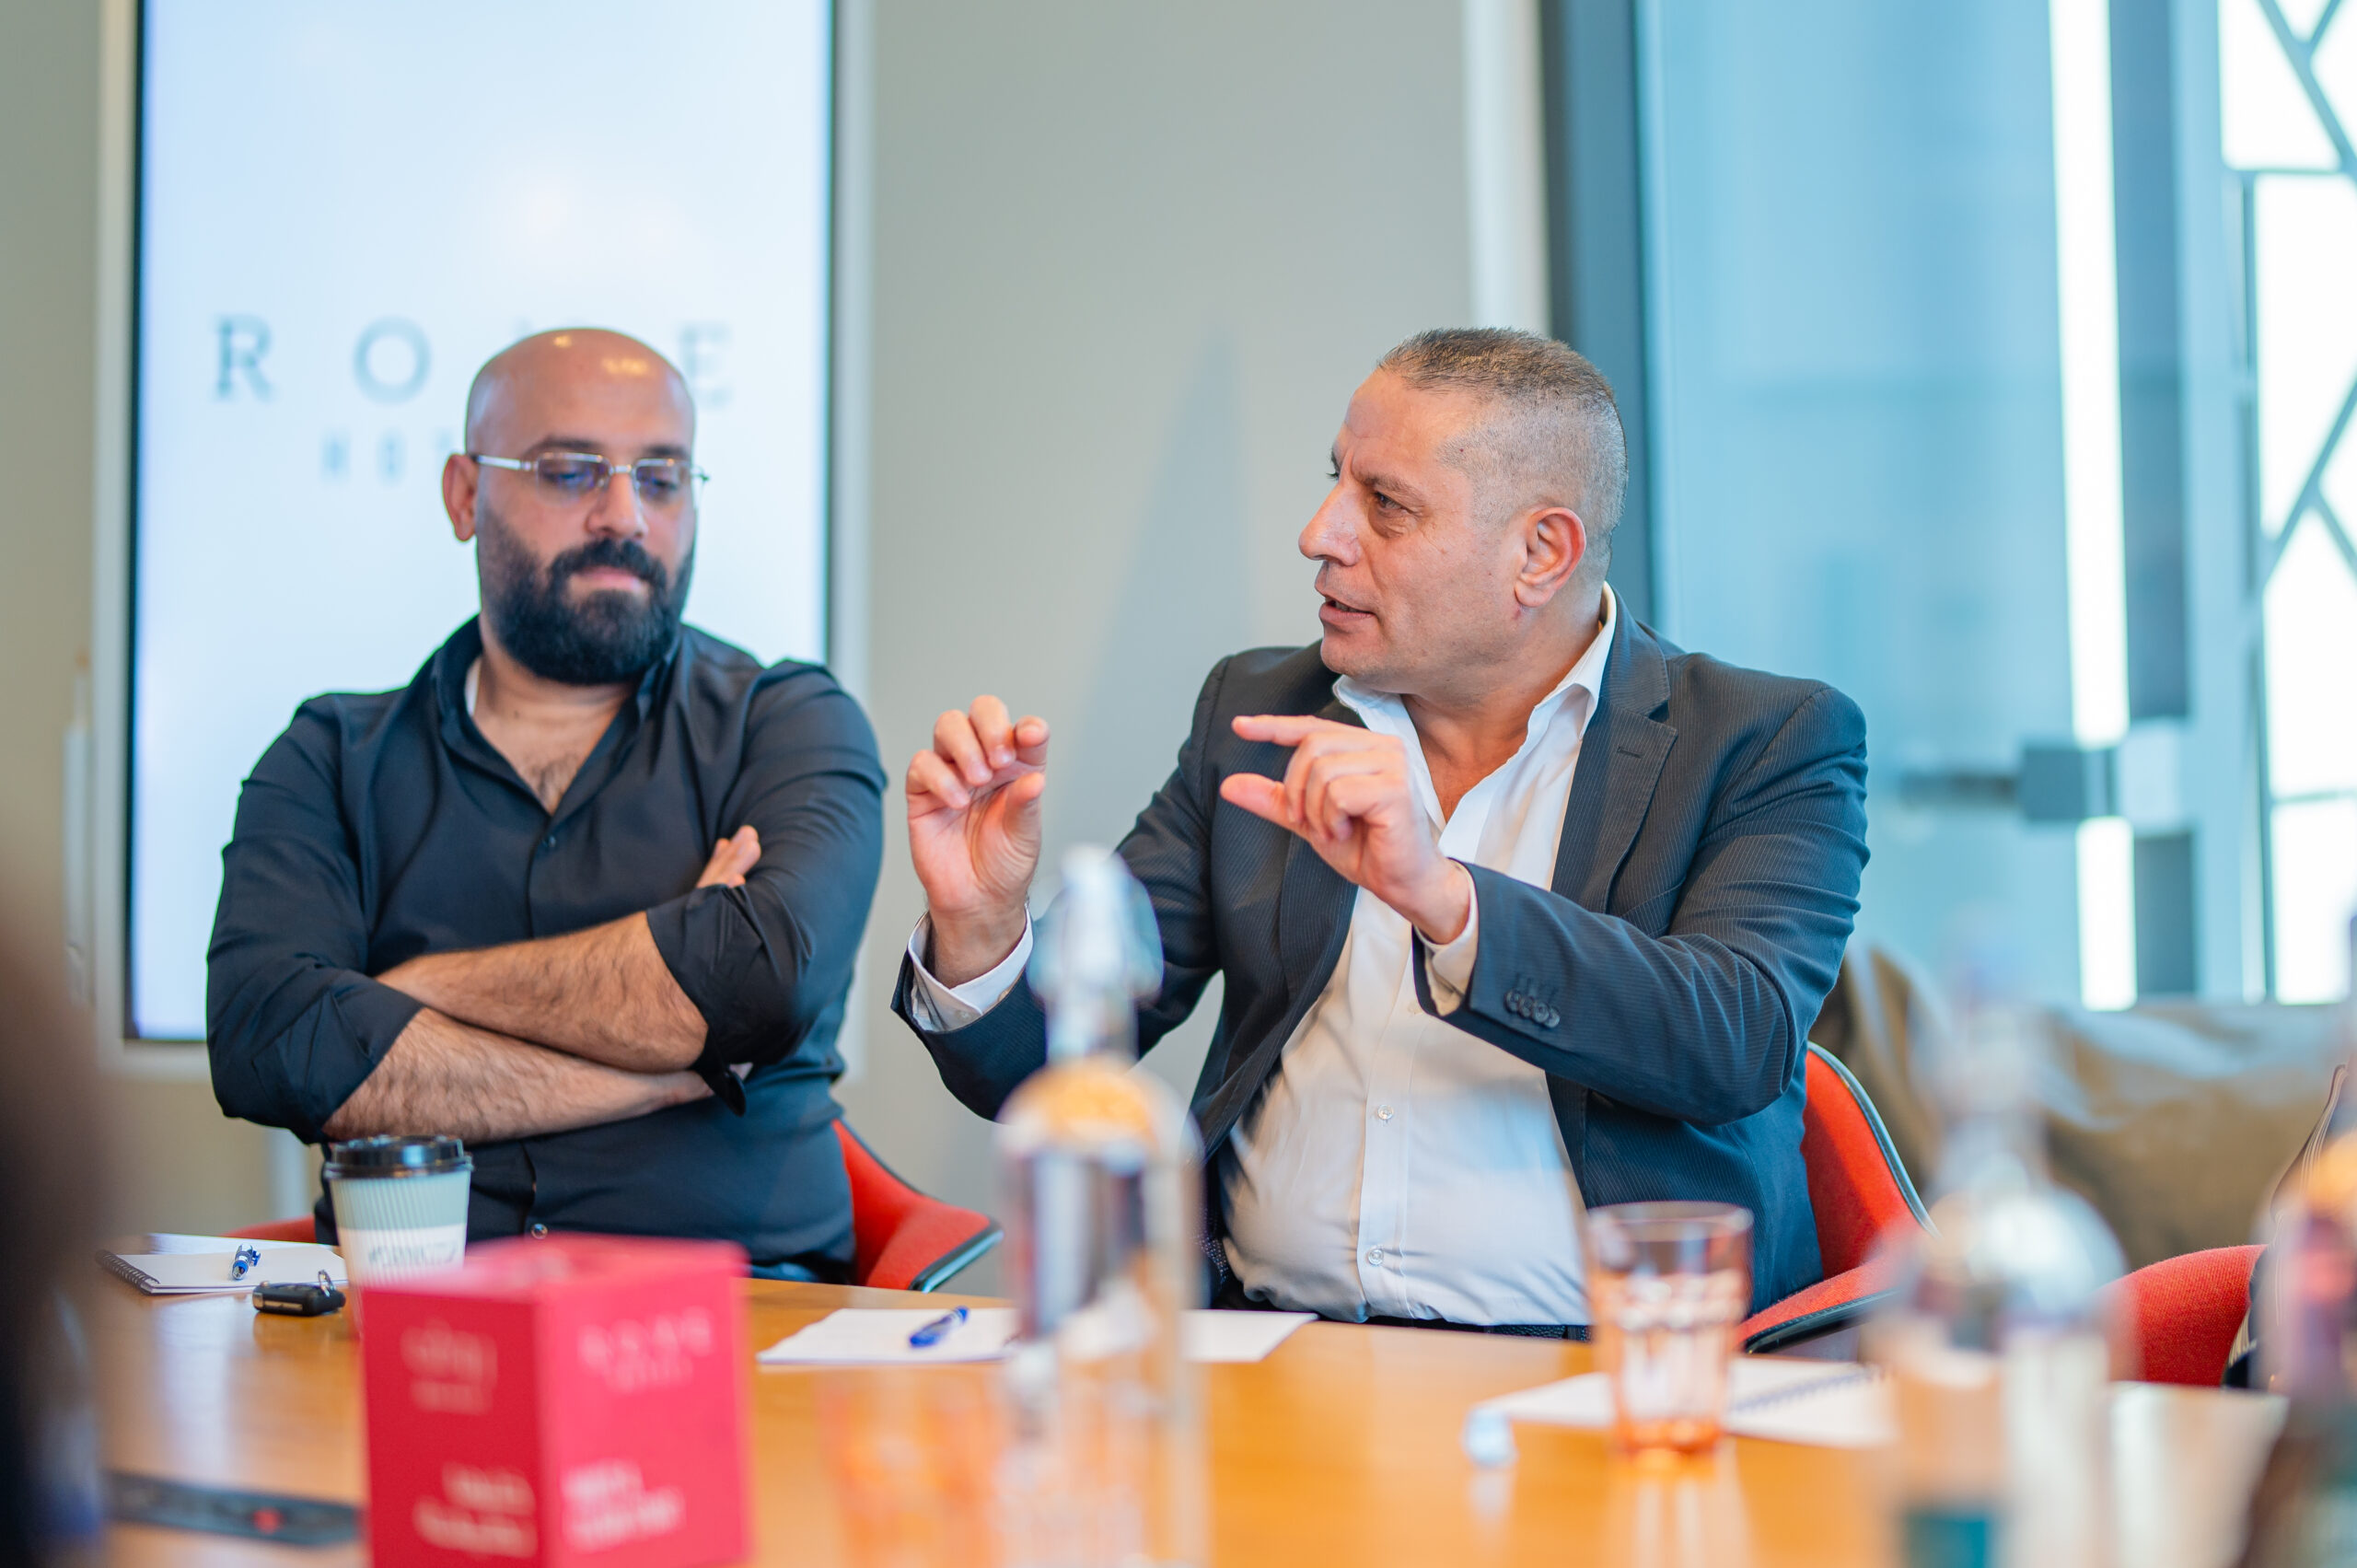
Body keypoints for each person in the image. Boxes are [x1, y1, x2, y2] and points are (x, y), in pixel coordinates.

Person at [896, 328, 1867, 1329]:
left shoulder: (1761, 740)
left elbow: (1733, 1042)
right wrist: (983, 924)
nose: (1319, 533)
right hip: (1269, 1349)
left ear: (1540, 553)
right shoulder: (1260, 715)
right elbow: (1039, 1072)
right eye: (1337, 482)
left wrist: (1445, 900)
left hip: (1603, 1368)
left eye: (1386, 504)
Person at [207, 329, 883, 1278]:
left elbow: (757, 985)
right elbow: (272, 1043)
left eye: (662, 478)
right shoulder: (329, 757)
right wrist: (664, 1069)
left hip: (741, 1315)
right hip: (415, 1314)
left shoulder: (788, 723)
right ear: (463, 495)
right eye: (570, 472)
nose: (625, 516)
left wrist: (406, 987)